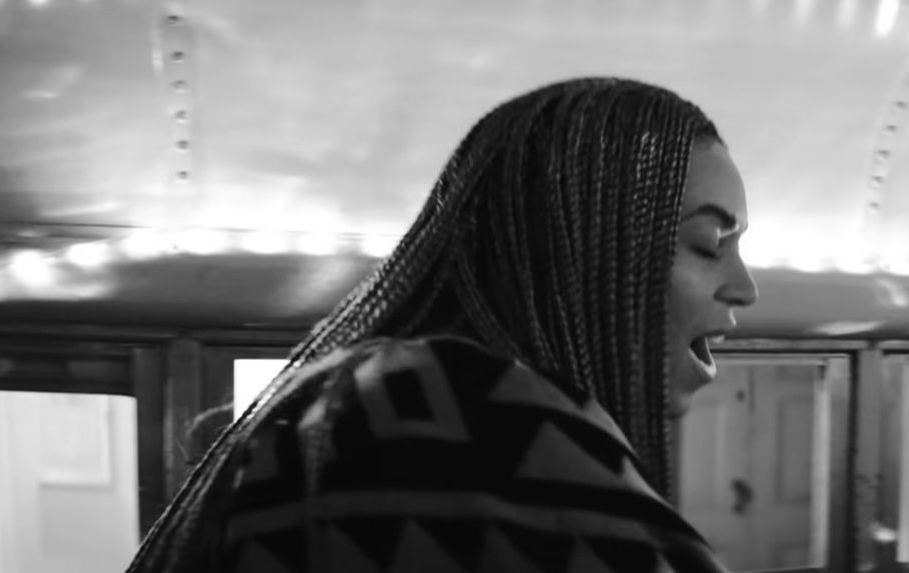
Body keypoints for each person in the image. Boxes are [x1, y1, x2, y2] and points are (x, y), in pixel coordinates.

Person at [126, 77, 758, 572]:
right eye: (709, 242)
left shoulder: (366, 401)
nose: (745, 287)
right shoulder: (463, 420)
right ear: (577, 249)